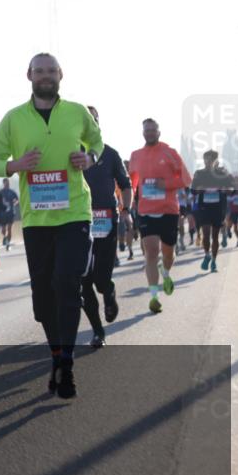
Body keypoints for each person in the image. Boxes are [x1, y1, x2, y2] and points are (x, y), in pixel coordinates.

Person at [0, 53, 103, 399]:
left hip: (75, 213)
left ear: (61, 74)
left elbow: (97, 143)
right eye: (40, 71)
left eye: (51, 70)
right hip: (36, 218)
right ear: (29, 76)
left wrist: (90, 158)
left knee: (66, 282)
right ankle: (56, 353)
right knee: (42, 300)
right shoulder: (14, 119)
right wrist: (15, 165)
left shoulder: (77, 112)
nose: (46, 76)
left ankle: (66, 361)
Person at [128, 119, 192, 313]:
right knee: (151, 253)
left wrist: (166, 185)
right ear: (142, 133)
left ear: (159, 132)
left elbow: (186, 179)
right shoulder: (135, 156)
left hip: (169, 211)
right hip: (146, 211)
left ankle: (166, 272)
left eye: (152, 130)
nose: (149, 133)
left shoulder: (170, 153)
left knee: (168, 254)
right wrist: (128, 204)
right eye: (146, 130)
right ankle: (154, 297)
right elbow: (132, 183)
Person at [80, 106, 131, 348]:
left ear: (98, 125)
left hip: (107, 221)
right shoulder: (70, 155)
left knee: (100, 279)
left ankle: (108, 293)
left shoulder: (110, 154)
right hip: (78, 223)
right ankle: (98, 331)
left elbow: (125, 184)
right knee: (83, 280)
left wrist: (127, 211)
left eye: (93, 120)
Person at [191, 150, 237, 273]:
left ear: (216, 160)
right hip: (204, 208)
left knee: (215, 236)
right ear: (204, 160)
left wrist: (227, 190)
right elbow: (193, 190)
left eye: (211, 159)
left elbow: (233, 188)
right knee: (206, 234)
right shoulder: (199, 173)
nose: (208, 161)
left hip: (218, 207)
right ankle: (207, 255)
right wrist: (199, 189)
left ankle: (214, 261)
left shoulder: (222, 173)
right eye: (206, 159)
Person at [0, 177, 19, 250]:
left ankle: (8, 243)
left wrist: (15, 203)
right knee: (3, 229)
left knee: (9, 228)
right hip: (2, 213)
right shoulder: (0, 192)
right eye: (5, 183)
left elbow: (17, 200)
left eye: (8, 182)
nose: (7, 184)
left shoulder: (12, 192)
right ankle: (5, 238)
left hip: (10, 213)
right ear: (3, 183)